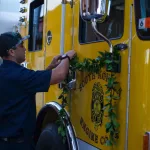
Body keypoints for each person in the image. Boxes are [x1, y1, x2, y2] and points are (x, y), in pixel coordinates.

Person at [0, 32, 76, 150]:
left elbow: (29, 84)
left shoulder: (5, 72)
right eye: (21, 45)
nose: (25, 48)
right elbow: (60, 75)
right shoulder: (19, 75)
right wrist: (67, 56)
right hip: (18, 145)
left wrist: (50, 67)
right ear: (11, 52)